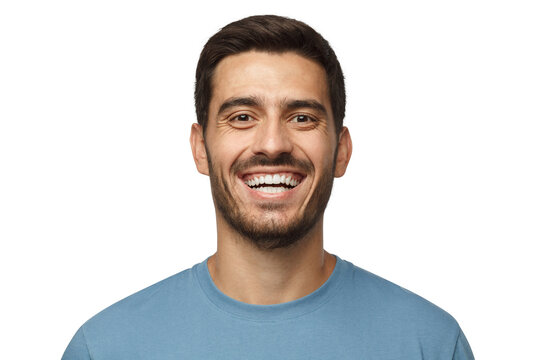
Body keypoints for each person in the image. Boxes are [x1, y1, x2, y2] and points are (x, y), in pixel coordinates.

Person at [62, 15, 474, 359]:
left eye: (302, 118)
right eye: (242, 117)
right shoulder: (105, 348)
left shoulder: (430, 344)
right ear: (200, 149)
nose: (273, 143)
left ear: (342, 151)